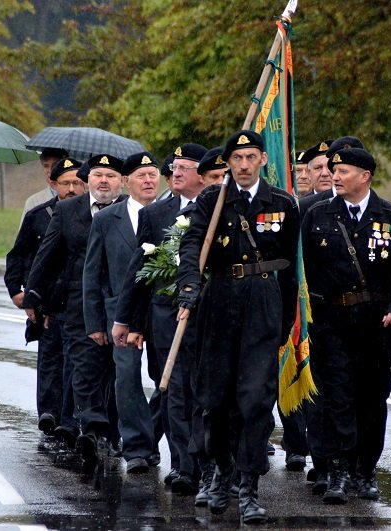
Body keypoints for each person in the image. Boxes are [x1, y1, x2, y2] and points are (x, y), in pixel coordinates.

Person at [176, 130, 299, 524]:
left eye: (250, 157)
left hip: (263, 300)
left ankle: (249, 487)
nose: (244, 165)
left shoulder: (282, 203)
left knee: (255, 401)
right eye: (237, 158)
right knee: (214, 400)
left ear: (263, 159)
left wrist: (284, 322)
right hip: (221, 299)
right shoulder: (212, 200)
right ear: (227, 163)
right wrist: (191, 283)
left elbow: (291, 272)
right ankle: (220, 472)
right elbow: (192, 244)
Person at [301, 146, 391, 504]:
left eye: (344, 171)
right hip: (330, 322)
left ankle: (364, 471)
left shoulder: (390, 217)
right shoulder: (318, 214)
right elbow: (301, 270)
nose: (335, 175)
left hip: (376, 324)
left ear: (365, 176)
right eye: (334, 170)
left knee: (370, 397)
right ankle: (336, 470)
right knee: (337, 395)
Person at [112, 142, 209, 496]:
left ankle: (207, 464)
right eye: (174, 167)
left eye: (184, 167)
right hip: (165, 320)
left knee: (202, 392)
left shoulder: (217, 209)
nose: (175, 172)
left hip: (208, 318)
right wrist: (129, 321)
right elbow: (141, 272)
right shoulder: (156, 213)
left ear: (202, 173)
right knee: (172, 392)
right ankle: (184, 465)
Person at [24, 153, 126, 466]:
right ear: (87, 180)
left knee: (117, 371)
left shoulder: (131, 211)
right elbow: (47, 254)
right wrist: (33, 296)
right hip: (77, 303)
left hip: (120, 304)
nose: (104, 181)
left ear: (120, 181)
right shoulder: (68, 210)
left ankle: (112, 432)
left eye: (110, 175)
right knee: (84, 369)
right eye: (98, 175)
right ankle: (90, 427)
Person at [83, 152, 160, 473]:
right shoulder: (106, 219)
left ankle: (153, 433)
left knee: (166, 381)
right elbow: (93, 272)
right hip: (121, 315)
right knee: (126, 379)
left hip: (161, 313)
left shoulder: (172, 215)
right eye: (141, 176)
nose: (148, 181)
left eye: (153, 175)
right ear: (126, 182)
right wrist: (95, 321)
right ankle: (138, 448)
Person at [5, 157, 84, 439]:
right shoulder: (38, 216)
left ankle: (69, 417)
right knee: (50, 356)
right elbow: (18, 255)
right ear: (54, 184)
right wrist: (19, 292)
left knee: (74, 360)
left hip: (75, 297)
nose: (72, 188)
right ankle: (48, 412)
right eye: (65, 183)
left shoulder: (90, 216)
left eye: (77, 182)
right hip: (46, 298)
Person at [21, 147, 69, 219]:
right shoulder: (33, 202)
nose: (50, 170)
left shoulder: (79, 197)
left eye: (55, 165)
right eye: (46, 166)